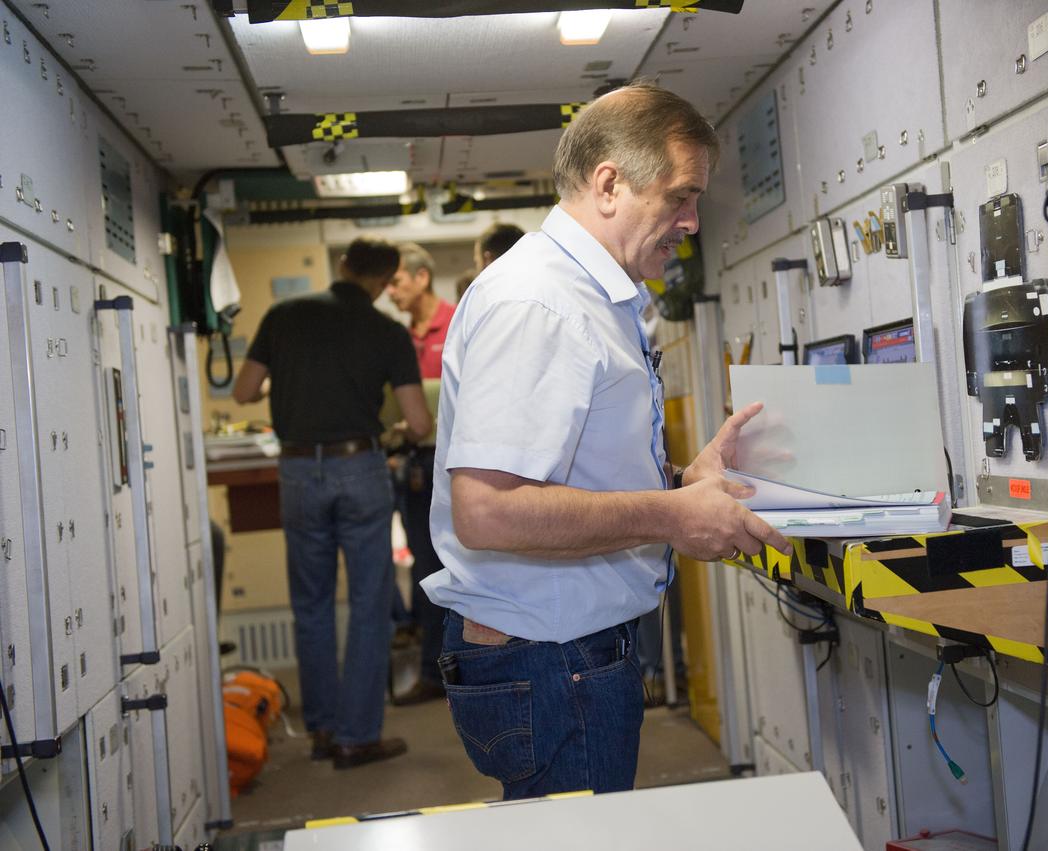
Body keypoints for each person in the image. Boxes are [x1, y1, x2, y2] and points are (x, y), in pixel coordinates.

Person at [424, 83, 791, 799]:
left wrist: (682, 484)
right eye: (680, 197)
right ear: (610, 183)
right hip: (552, 663)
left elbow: (575, 468)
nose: (690, 221)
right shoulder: (541, 302)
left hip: (567, 654)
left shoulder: (594, 295)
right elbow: (489, 509)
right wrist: (672, 516)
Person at [232, 238, 430, 770]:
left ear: (342, 266)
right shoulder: (389, 332)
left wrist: (294, 375)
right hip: (360, 467)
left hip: (297, 469)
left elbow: (243, 391)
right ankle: (357, 735)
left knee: (311, 603)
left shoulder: (284, 315)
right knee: (370, 602)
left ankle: (321, 728)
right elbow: (419, 423)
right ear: (387, 280)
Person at [384, 243, 455, 706]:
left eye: (397, 282)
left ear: (422, 277)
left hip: (451, 465)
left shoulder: (457, 322)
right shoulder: (398, 337)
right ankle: (433, 667)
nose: (390, 292)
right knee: (425, 567)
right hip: (411, 465)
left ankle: (450, 667)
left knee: (452, 565)